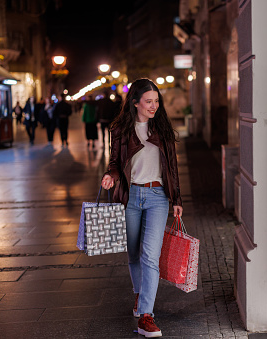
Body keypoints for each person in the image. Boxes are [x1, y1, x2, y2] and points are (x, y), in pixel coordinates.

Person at [101, 78, 182, 338]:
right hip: (130, 196)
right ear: (135, 102)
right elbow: (115, 161)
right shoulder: (121, 130)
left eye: (156, 101)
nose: (154, 106)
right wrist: (110, 175)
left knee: (150, 255)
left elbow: (172, 167)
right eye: (149, 101)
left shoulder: (163, 128)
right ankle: (139, 295)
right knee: (134, 253)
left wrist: (177, 199)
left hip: (158, 196)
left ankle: (146, 315)